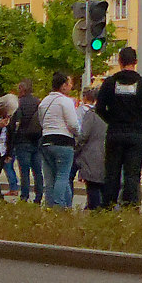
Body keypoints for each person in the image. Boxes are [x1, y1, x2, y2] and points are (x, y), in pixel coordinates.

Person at [94, 47, 142, 208]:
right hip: (136, 134)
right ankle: (130, 209)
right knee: (132, 175)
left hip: (115, 133)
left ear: (120, 61)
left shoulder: (109, 83)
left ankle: (108, 208)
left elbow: (100, 108)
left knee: (112, 174)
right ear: (135, 62)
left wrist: (112, 121)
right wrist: (140, 122)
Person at [38, 72, 82, 208]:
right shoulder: (66, 101)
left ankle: (51, 206)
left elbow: (41, 121)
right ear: (63, 86)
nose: (70, 86)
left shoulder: (44, 102)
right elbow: (73, 124)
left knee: (50, 178)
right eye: (68, 84)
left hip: (46, 141)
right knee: (62, 176)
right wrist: (78, 134)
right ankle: (59, 206)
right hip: (63, 142)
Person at [7, 79, 44, 203]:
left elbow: (13, 126)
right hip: (36, 140)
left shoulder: (19, 104)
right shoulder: (38, 103)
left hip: (22, 141)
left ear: (22, 89)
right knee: (38, 171)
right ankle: (39, 197)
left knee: (24, 171)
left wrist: (10, 144)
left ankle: (24, 196)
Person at [77, 94, 111, 210]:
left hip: (92, 155)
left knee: (92, 187)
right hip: (109, 155)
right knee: (105, 188)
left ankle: (94, 212)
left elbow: (84, 135)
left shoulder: (92, 114)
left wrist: (76, 149)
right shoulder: (115, 115)